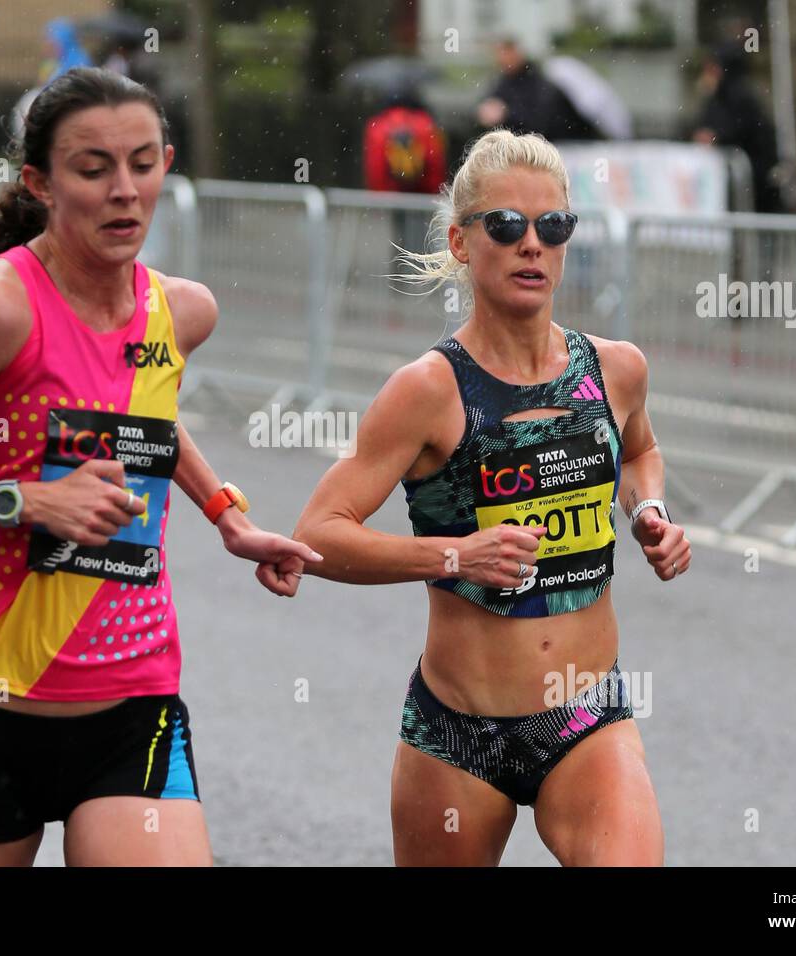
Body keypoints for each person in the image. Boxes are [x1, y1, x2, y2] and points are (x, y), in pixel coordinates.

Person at [0, 67, 319, 866]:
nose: (124, 190)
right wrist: (23, 503)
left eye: (143, 163)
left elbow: (144, 419)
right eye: (93, 170)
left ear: (167, 162)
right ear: (41, 183)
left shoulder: (182, 311)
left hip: (136, 705)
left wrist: (228, 516)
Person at [292, 130, 689, 866]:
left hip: (586, 717)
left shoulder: (616, 370)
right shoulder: (427, 391)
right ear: (463, 241)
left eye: (553, 226)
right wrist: (453, 554)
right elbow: (319, 533)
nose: (531, 245)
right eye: (506, 226)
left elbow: (639, 451)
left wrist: (649, 512)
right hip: (458, 732)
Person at [691, 42, 784, 214]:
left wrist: (717, 137)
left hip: (754, 188)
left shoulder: (741, 97)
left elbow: (744, 131)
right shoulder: (716, 97)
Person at [363, 86, 448, 256]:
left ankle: (399, 272)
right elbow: (435, 161)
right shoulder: (425, 123)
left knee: (399, 234)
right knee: (423, 237)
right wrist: (435, 192)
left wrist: (379, 195)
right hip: (421, 194)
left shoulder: (378, 125)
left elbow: (375, 166)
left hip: (395, 193)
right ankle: (420, 272)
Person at [476, 39, 600, 143]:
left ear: (517, 53)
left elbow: (539, 120)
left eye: (506, 52)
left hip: (554, 145)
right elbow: (487, 107)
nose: (502, 58)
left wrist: (506, 114)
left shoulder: (538, 82)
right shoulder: (502, 81)